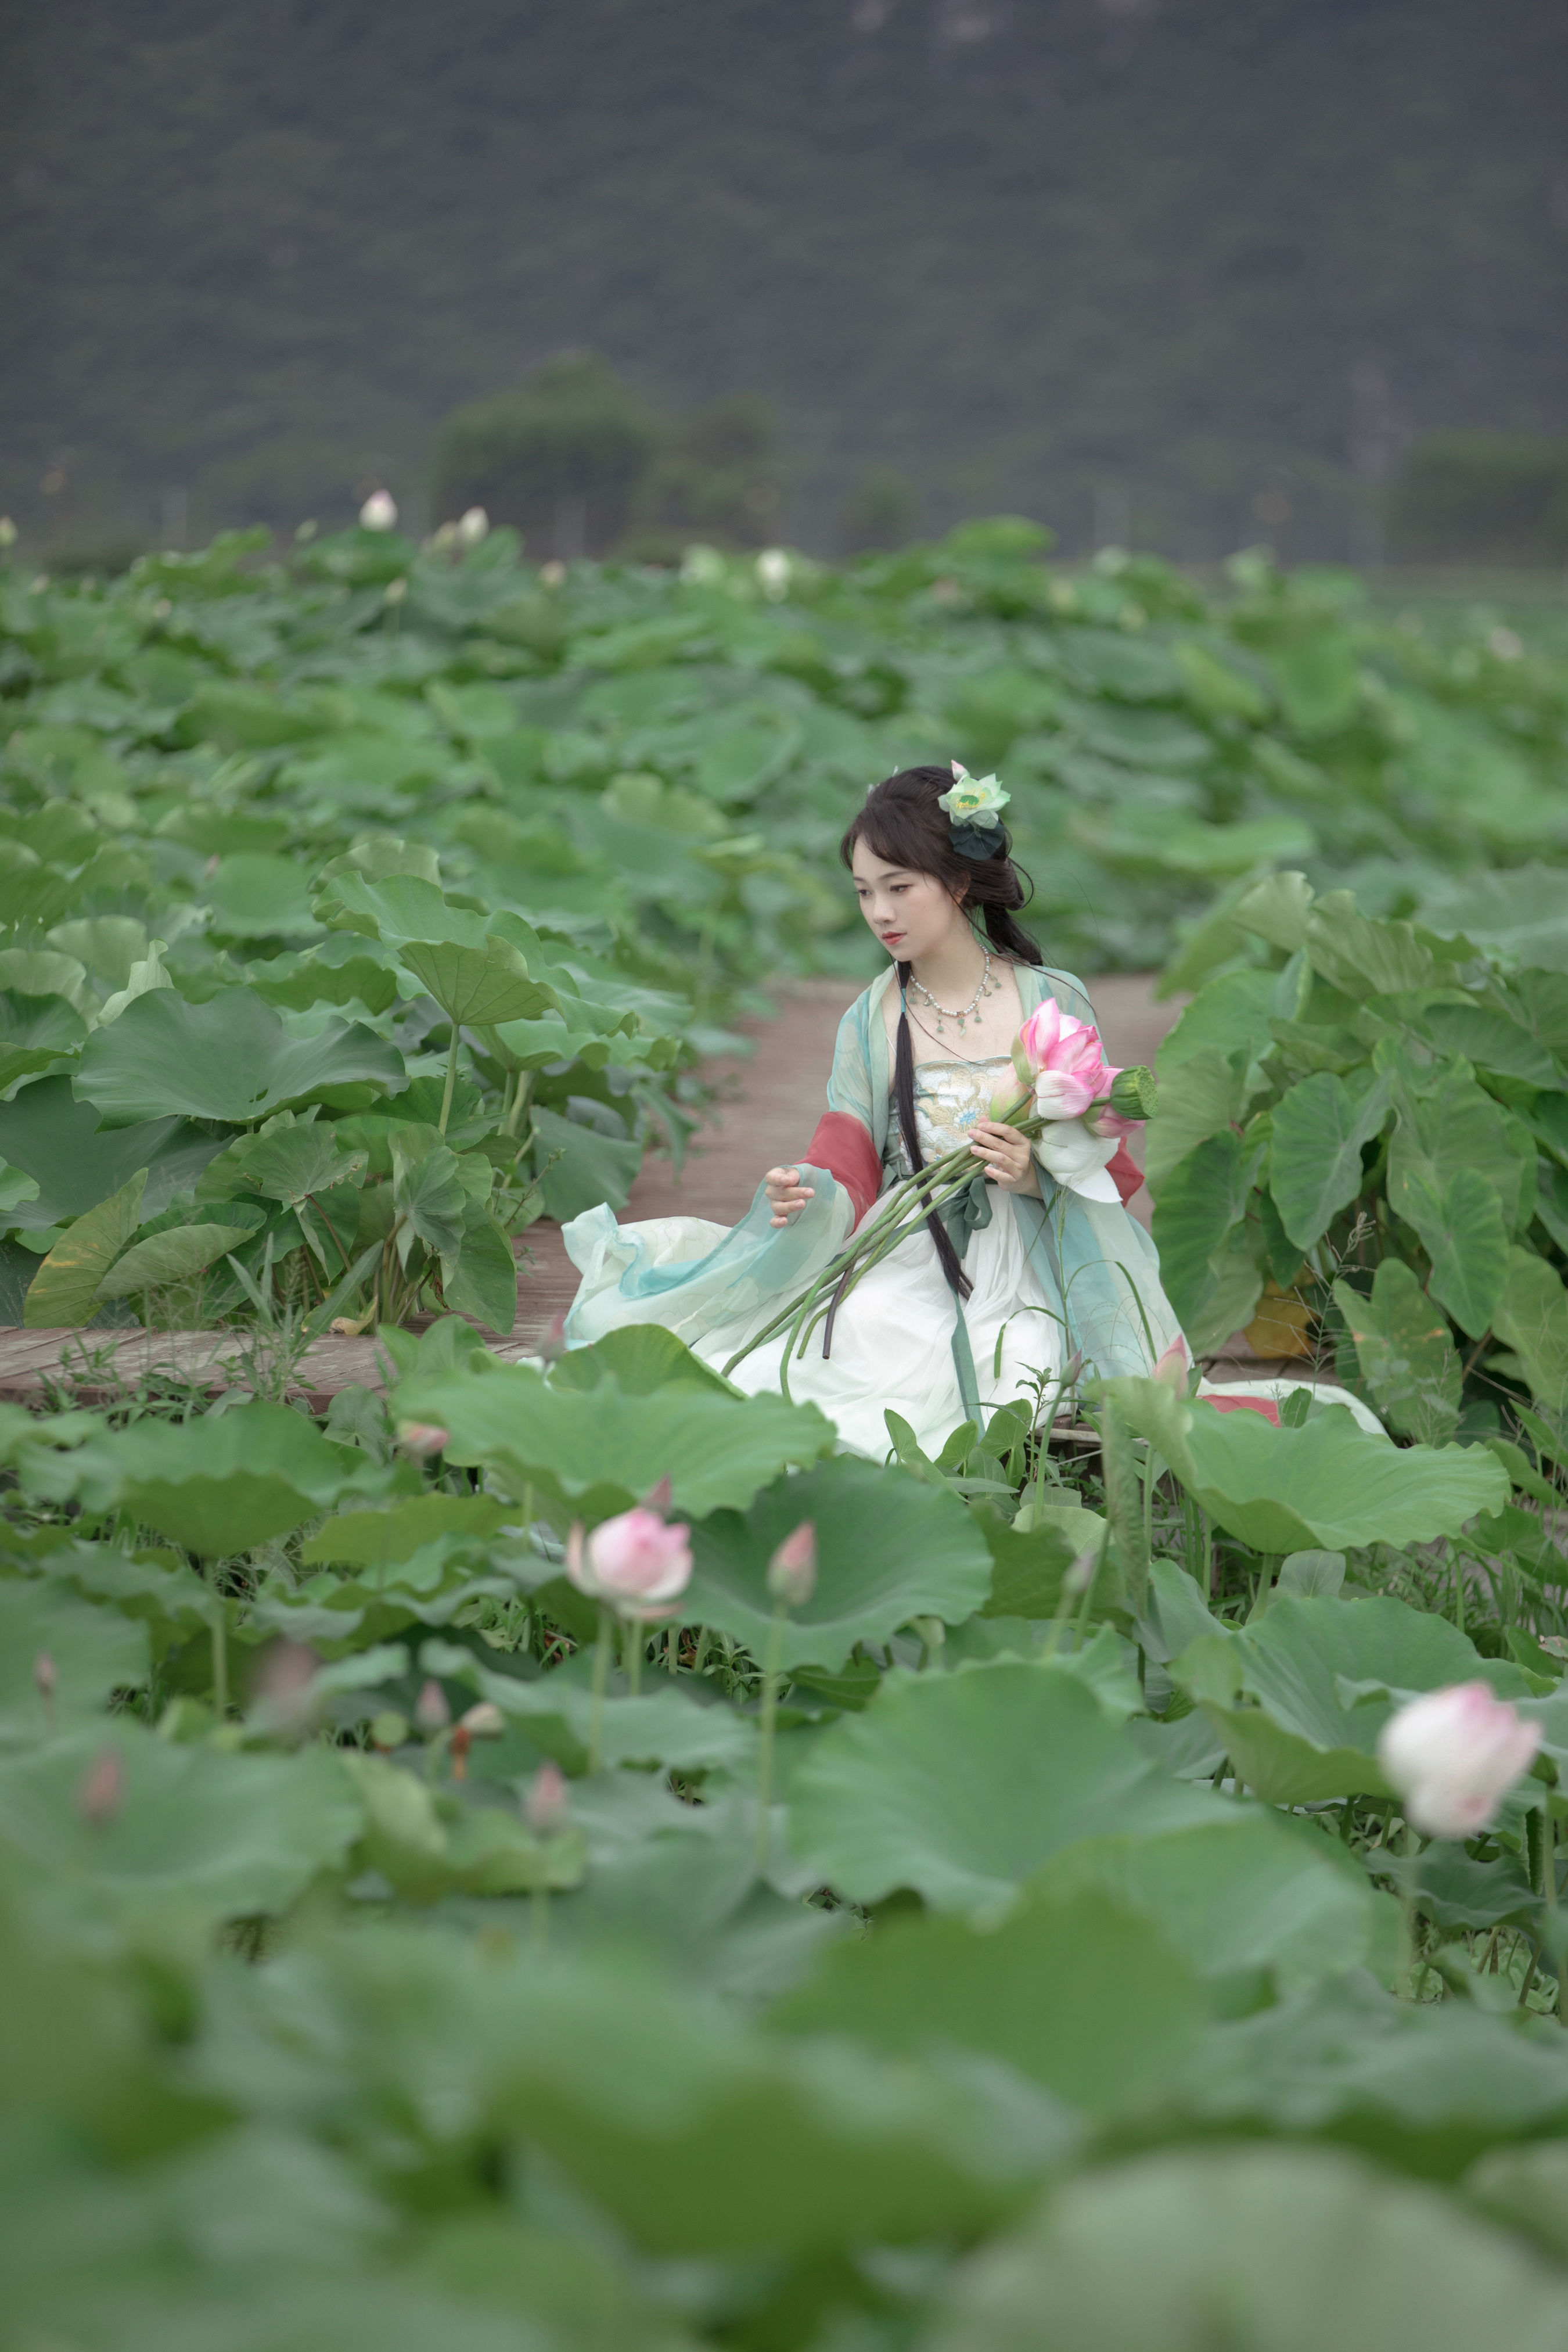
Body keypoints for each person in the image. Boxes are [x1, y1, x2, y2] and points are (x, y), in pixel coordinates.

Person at [563, 763, 1188, 1459]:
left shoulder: (1051, 998)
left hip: (1034, 1260)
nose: (880, 913)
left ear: (956, 882)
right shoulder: (873, 1013)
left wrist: (1031, 1175)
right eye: (864, 892)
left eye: (899, 887)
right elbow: (849, 1147)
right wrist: (806, 1187)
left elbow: (1115, 1167)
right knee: (848, 1344)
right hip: (914, 1246)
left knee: (1011, 1361)